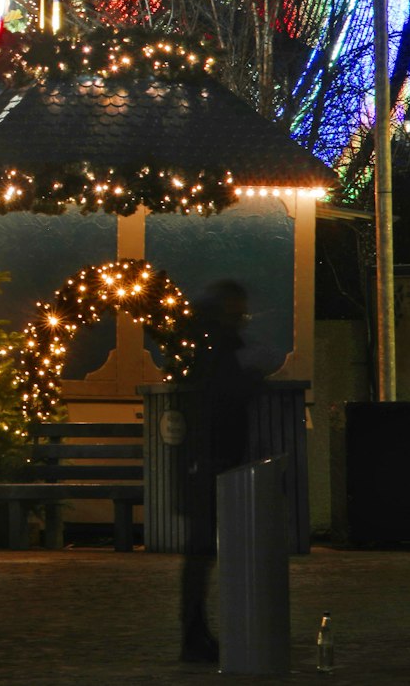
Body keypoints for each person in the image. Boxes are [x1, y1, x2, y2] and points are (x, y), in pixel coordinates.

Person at [176, 280, 260, 663]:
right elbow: (224, 398)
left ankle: (197, 634)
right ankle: (197, 637)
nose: (242, 315)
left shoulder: (202, 346)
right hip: (215, 461)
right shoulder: (219, 348)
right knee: (203, 553)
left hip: (207, 460)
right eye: (237, 308)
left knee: (202, 554)